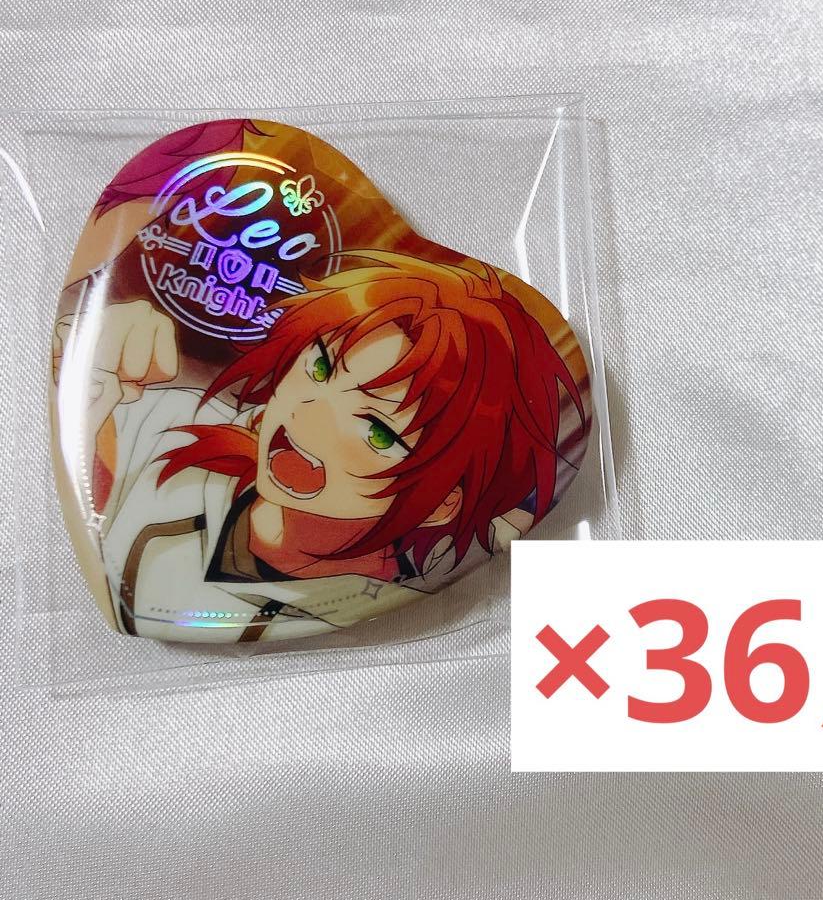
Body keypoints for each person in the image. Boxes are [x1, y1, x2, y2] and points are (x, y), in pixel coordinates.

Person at [55, 250, 587, 641]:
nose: (308, 417)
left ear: (442, 503)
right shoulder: (171, 425)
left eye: (378, 430)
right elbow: (95, 444)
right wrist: (88, 352)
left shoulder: (381, 594)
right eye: (320, 366)